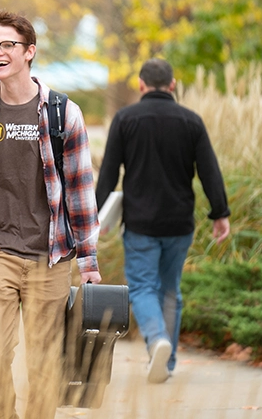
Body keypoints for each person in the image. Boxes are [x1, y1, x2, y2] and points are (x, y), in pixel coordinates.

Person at [0, 10, 101, 419]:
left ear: (29, 52)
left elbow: (80, 191)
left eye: (7, 45)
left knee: (44, 362)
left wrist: (88, 260)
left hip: (51, 258)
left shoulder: (62, 113)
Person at [95, 58, 230, 384]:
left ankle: (157, 340)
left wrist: (95, 215)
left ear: (141, 84)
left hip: (141, 223)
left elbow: (109, 172)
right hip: (179, 223)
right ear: (172, 85)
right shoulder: (191, 121)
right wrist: (220, 213)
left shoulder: (125, 119)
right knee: (170, 290)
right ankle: (166, 363)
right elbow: (209, 170)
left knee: (142, 286)